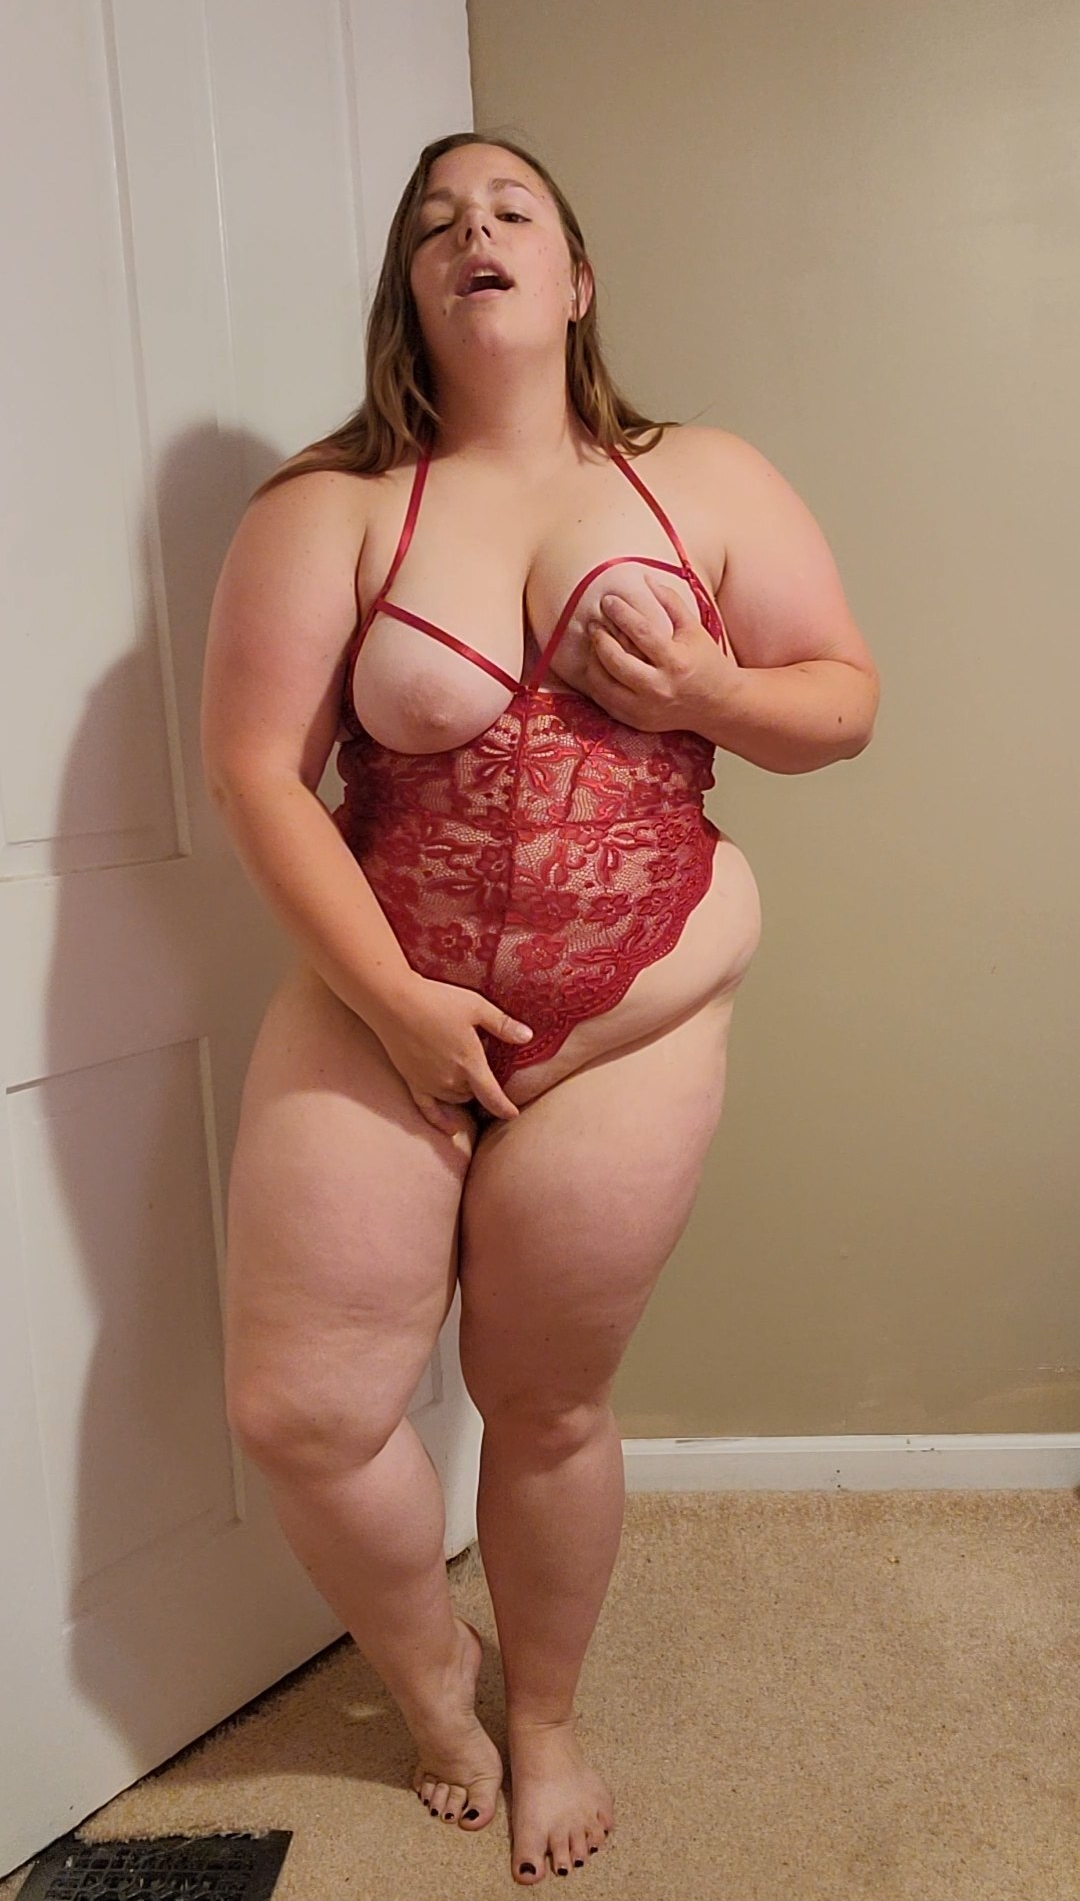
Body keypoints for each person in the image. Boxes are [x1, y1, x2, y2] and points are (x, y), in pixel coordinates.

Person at [200, 130, 879, 1886]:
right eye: (436, 221)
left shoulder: (702, 475)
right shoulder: (328, 507)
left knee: (547, 1401)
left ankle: (548, 1718)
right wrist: (397, 1006)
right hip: (383, 1001)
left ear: (575, 279)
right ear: (409, 290)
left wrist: (714, 684)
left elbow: (841, 703)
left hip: (626, 1018)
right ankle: (437, 1684)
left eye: (512, 210)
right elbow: (259, 774)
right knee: (300, 1412)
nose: (473, 231)